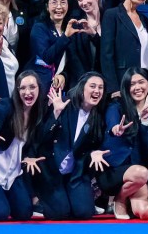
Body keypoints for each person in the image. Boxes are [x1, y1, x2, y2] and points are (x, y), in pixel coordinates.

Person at [0, 69, 51, 222]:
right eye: (23, 88)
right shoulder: (6, 105)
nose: (27, 92)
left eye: (32, 87)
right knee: (0, 213)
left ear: (39, 89)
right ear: (17, 90)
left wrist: (29, 157)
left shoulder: (38, 112)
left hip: (13, 171)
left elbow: (33, 143)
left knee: (24, 213)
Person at [44, 72, 112, 220]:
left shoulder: (97, 117)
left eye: (100, 87)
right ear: (82, 88)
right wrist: (56, 113)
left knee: (84, 213)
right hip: (52, 170)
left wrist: (94, 152)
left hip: (75, 173)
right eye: (92, 86)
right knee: (60, 213)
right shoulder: (64, 104)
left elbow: (95, 145)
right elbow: (42, 137)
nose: (97, 91)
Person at [104, 69, 148, 219]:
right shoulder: (116, 106)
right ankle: (120, 199)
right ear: (126, 87)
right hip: (115, 169)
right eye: (132, 84)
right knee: (141, 173)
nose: (137, 87)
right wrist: (116, 129)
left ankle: (124, 196)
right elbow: (113, 125)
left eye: (141, 82)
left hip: (138, 173)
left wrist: (144, 122)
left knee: (146, 213)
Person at [102, 0, 148, 87]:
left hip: (143, 77)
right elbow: (106, 54)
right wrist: (113, 87)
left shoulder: (145, 20)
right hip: (122, 78)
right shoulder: (112, 15)